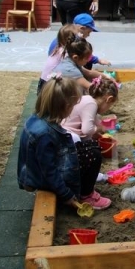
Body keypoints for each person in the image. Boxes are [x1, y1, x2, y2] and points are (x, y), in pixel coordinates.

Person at [17, 76, 111, 210]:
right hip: (38, 179)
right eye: (73, 106)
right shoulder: (44, 134)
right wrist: (66, 195)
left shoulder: (38, 118)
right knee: (93, 154)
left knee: (88, 147)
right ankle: (86, 195)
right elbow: (49, 171)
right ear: (66, 107)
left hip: (34, 172)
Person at [62, 76, 119, 186]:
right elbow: (87, 129)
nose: (108, 109)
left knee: (92, 142)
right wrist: (100, 128)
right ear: (109, 99)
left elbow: (95, 121)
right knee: (93, 153)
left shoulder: (87, 99)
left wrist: (98, 131)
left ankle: (91, 174)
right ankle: (87, 179)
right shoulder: (91, 104)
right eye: (110, 105)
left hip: (66, 133)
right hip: (68, 139)